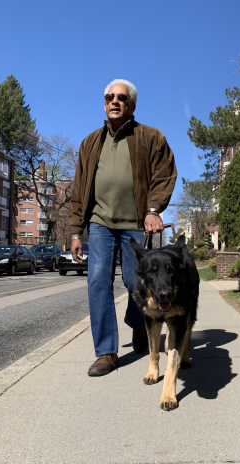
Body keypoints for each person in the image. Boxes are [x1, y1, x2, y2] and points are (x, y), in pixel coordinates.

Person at [69, 79, 177, 376]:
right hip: (100, 223)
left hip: (136, 225)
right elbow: (79, 189)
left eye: (121, 97)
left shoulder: (151, 137)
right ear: (104, 103)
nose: (114, 101)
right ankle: (106, 352)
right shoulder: (90, 142)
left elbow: (164, 174)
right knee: (97, 281)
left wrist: (153, 210)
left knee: (137, 284)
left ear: (132, 104)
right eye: (109, 97)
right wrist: (76, 231)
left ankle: (137, 322)